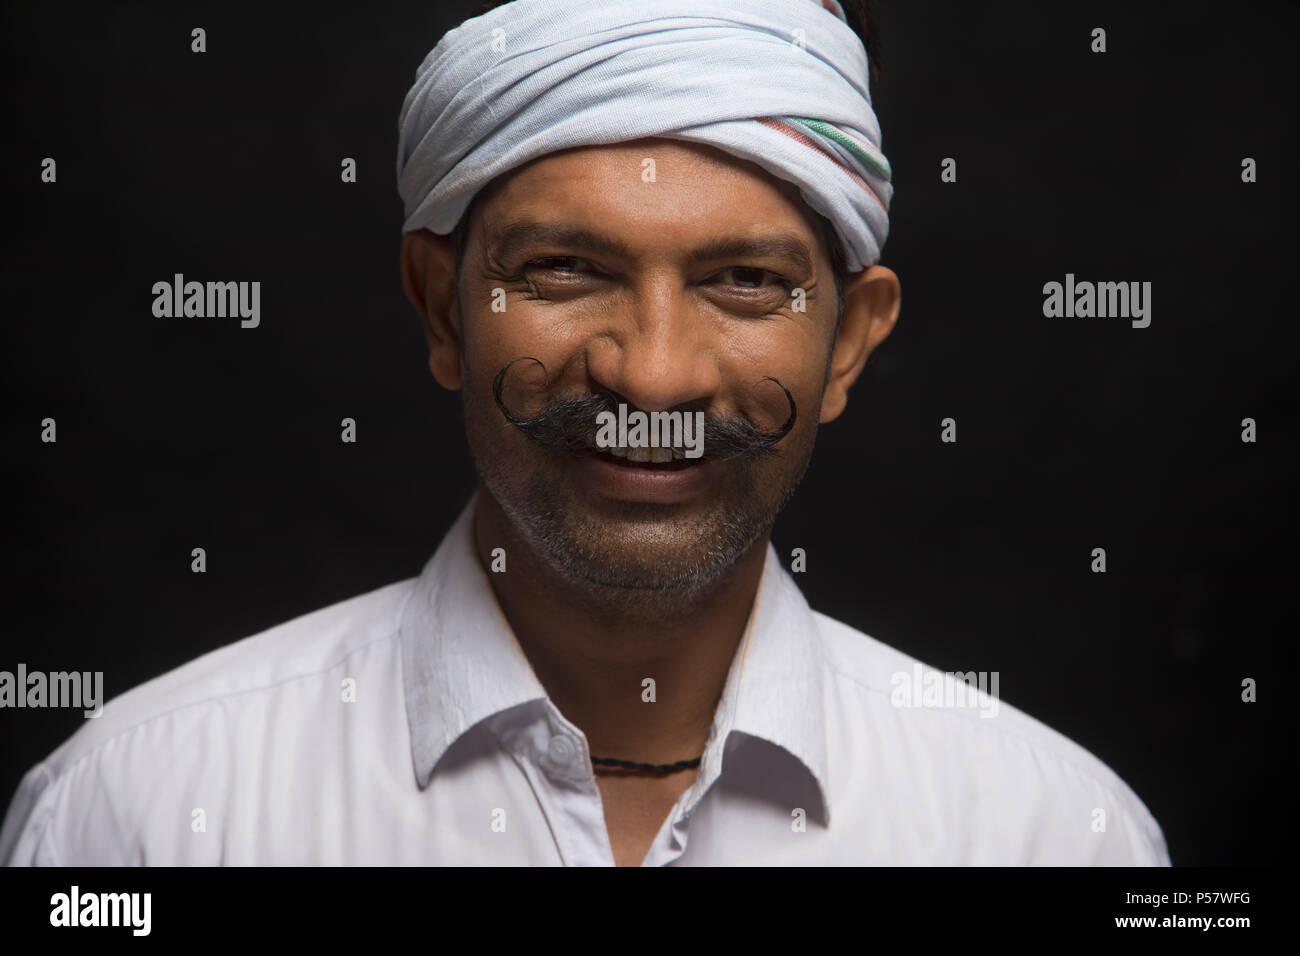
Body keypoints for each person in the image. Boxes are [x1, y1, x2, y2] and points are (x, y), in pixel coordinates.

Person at [0, 0, 1169, 866]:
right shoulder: (136, 815)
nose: (650, 371)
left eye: (745, 281)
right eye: (565, 270)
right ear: (438, 307)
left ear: (849, 343)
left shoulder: (1052, 831)